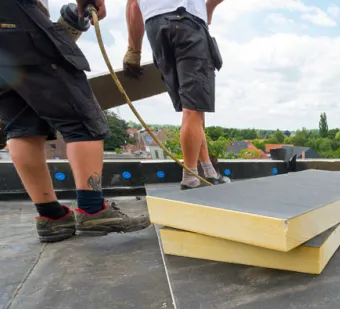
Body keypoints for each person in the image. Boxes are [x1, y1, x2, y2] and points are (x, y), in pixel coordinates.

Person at [0, 0, 151, 243]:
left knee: (22, 124)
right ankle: (93, 211)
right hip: (16, 17)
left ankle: (52, 218)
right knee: (82, 118)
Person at [124, 0, 228, 190]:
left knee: (193, 109)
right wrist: (208, 10)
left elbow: (132, 4)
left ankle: (208, 171)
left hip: (155, 28)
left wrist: (134, 50)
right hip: (187, 21)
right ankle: (190, 177)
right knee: (193, 108)